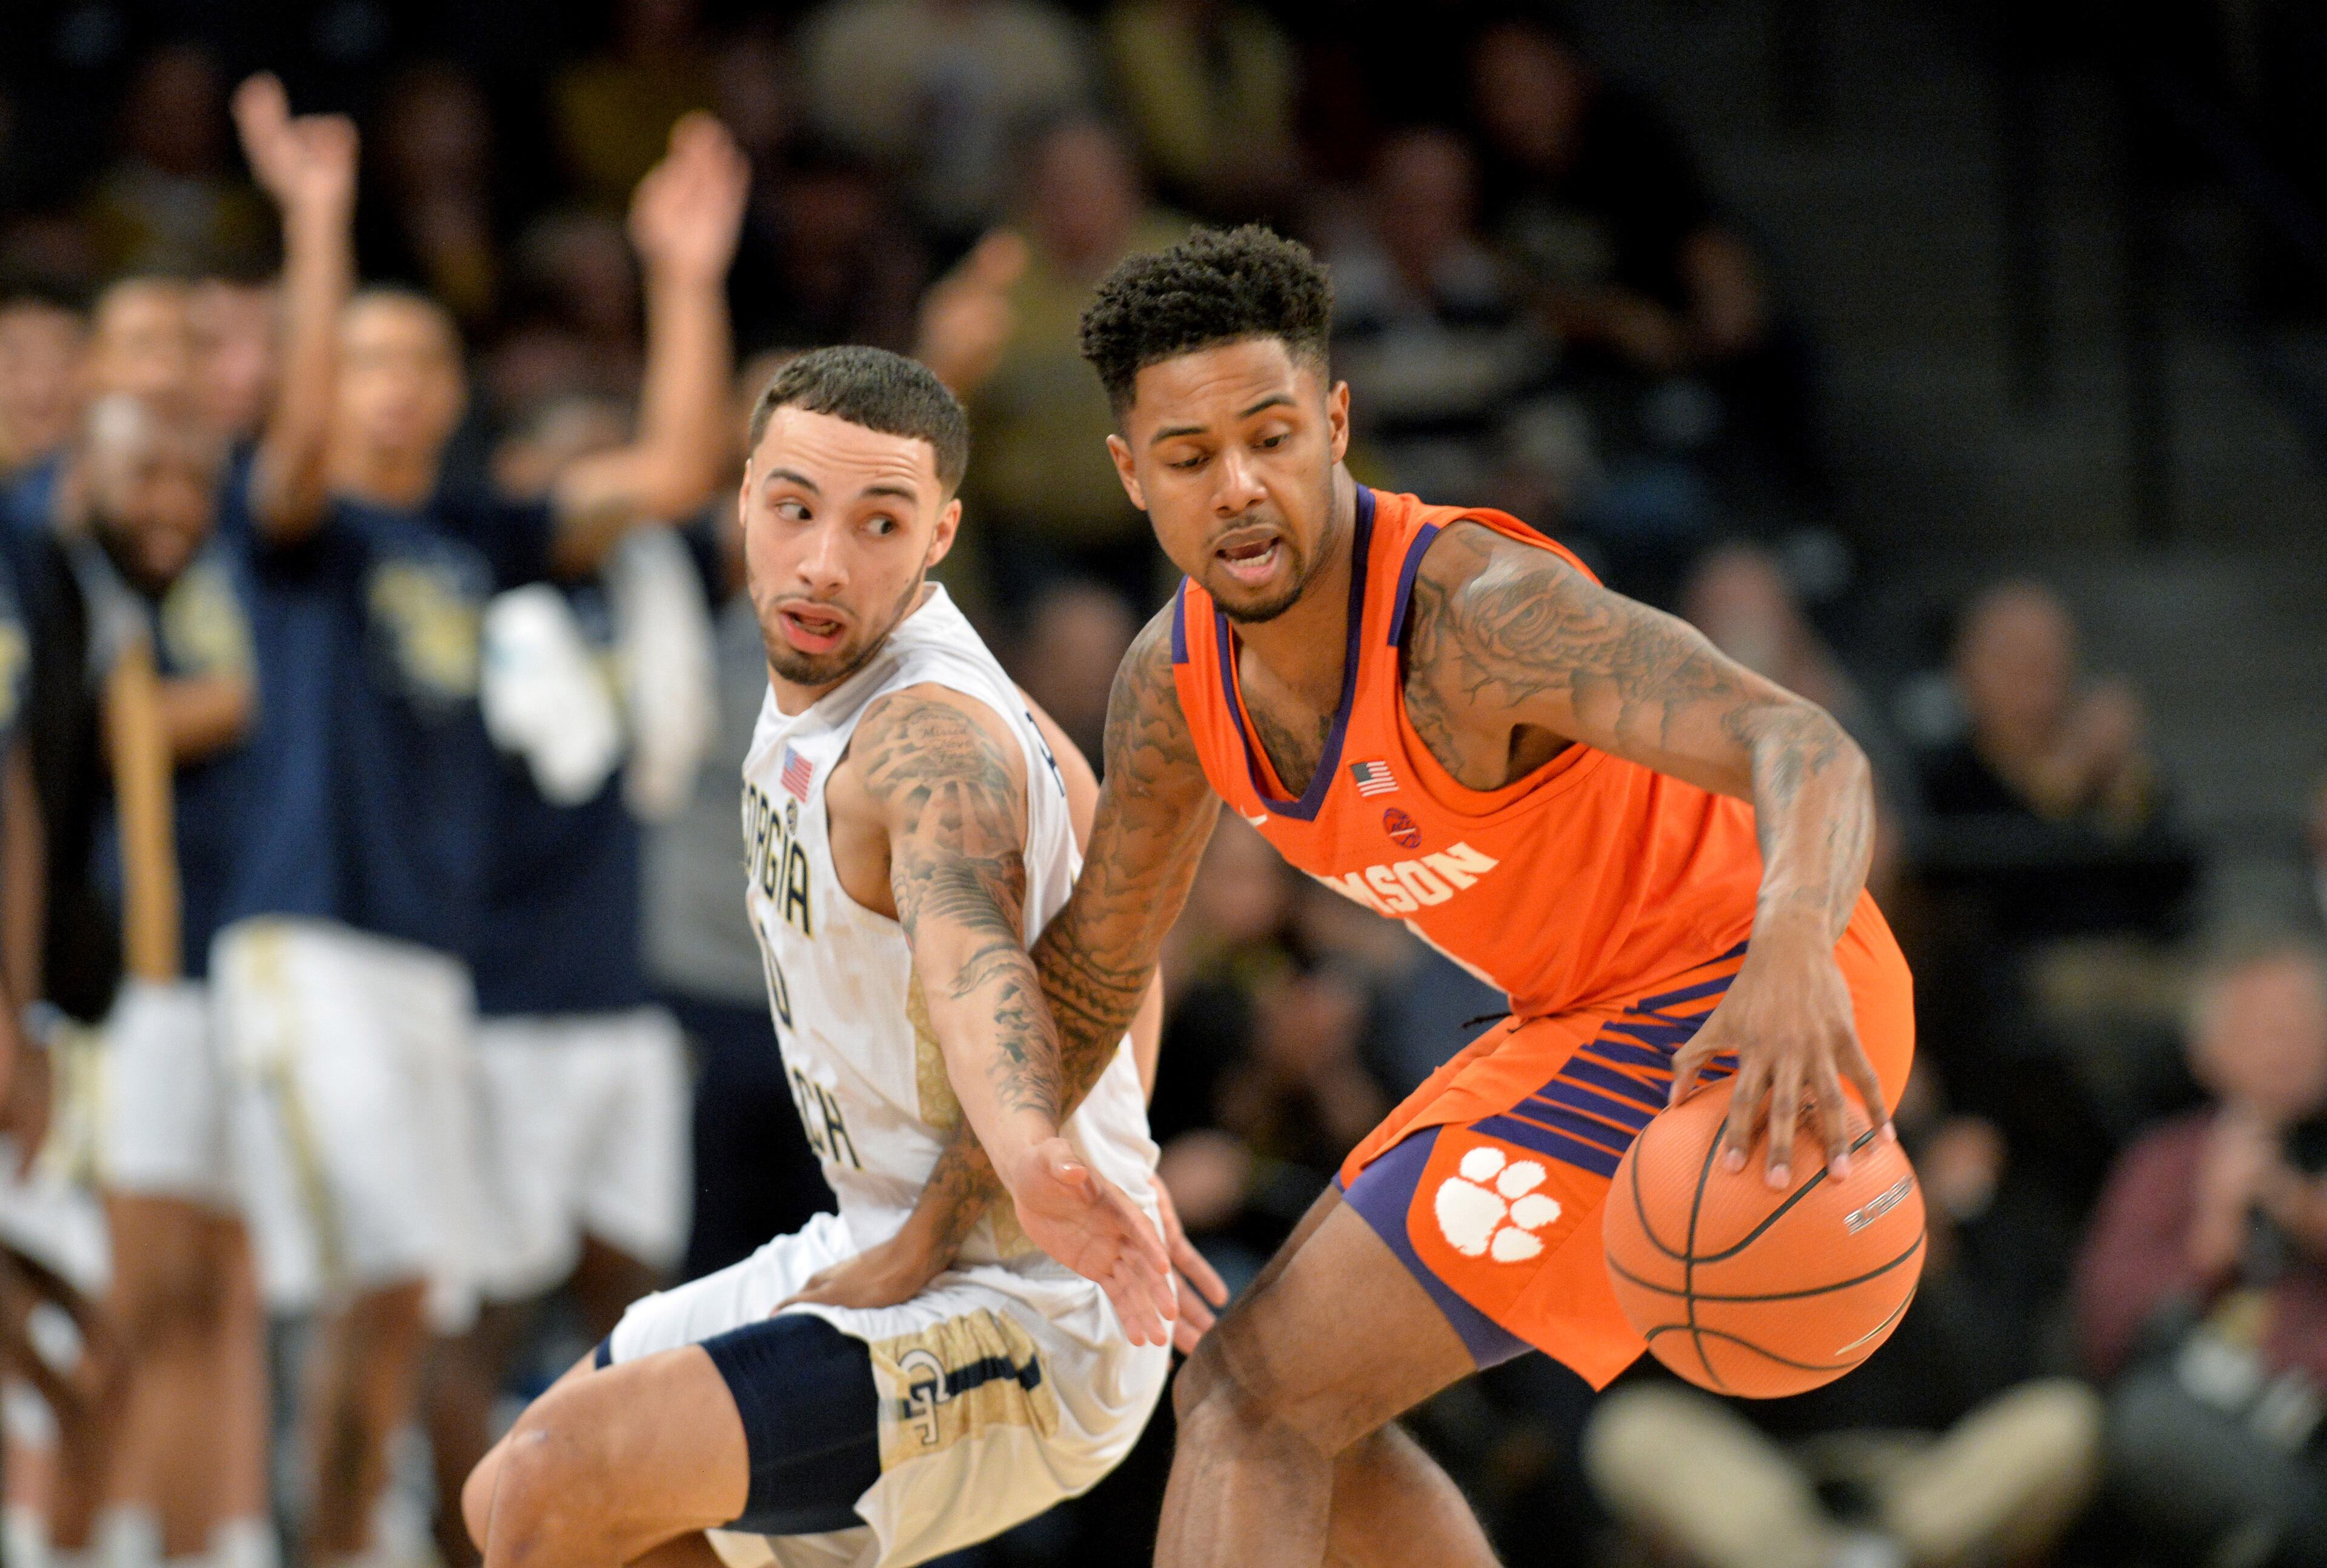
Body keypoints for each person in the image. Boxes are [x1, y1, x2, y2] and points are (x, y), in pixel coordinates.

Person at [799, 224, 1919, 1566]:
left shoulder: (1481, 620)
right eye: (1191, 456)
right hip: (1575, 1014)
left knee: (1254, 1401)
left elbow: (1808, 746)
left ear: (1335, 422)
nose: (1241, 489)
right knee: (1276, 1399)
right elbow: (1096, 972)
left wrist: (1787, 953)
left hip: (1752, 997)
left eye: (1271, 436)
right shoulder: (1175, 687)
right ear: (1130, 475)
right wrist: (959, 1210)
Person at [461, 346, 1206, 1568]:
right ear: (740, 495)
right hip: (885, 1240)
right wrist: (1123, 1148)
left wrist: (1038, 1157)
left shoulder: (929, 738)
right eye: (795, 508)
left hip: (1031, 1308)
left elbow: (975, 956)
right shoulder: (865, 663)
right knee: (517, 1500)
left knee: (558, 1486)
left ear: (940, 535)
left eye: (879, 524)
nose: (823, 561)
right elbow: (1118, 940)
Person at [207, 80, 741, 1567]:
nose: (393, 382)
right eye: (365, 357)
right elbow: (297, 436)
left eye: (420, 357)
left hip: (429, 970)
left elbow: (674, 474)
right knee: (383, 1291)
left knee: (417, 1299)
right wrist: (317, 224)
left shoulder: (470, 536)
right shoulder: (301, 528)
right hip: (312, 944)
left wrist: (683, 277)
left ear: (453, 393)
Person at [69, 392, 271, 1568]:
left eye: (192, 486)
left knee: (205, 1296)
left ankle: (188, 1543)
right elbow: (103, 722)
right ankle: (68, 1535)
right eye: (145, 480)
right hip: (127, 984)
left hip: (225, 973)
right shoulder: (72, 587)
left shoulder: (212, 589)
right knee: (128, 1298)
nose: (170, 508)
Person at [2077, 942, 2327, 1567]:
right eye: (2263, 1028)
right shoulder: (2165, 1161)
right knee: (2143, 1420)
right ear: (2207, 1051)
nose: (2286, 1045)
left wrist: (2303, 1215)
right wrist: (2211, 1240)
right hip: (2221, 1424)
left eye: (2304, 1025)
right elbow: (2105, 1332)